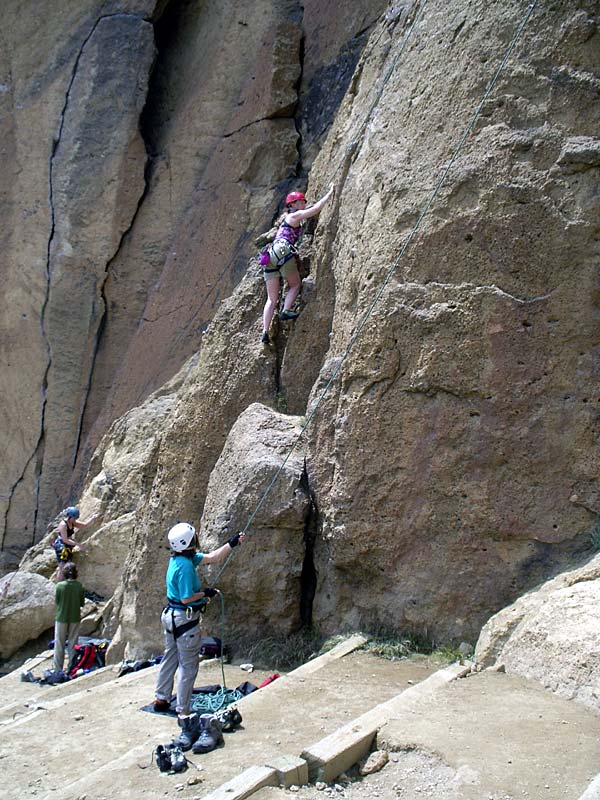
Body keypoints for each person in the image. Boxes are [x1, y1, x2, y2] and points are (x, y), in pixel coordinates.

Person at [154, 522, 245, 749]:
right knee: (188, 666)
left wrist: (232, 543)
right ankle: (183, 711)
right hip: (184, 619)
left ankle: (161, 697)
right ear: (188, 542)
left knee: (170, 657)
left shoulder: (180, 559)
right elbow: (186, 598)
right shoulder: (185, 566)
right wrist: (205, 593)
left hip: (171, 618)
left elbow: (213, 557)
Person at [260, 185, 334, 344]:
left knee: (271, 299)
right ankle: (286, 310)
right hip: (283, 251)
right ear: (292, 205)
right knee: (295, 285)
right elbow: (316, 209)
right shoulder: (295, 216)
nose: (304, 204)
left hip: (269, 256)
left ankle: (265, 331)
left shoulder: (286, 219)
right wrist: (330, 193)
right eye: (301, 201)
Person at [53, 562, 85, 674]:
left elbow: (57, 602)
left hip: (61, 617)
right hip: (75, 617)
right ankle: (72, 667)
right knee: (73, 643)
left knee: (59, 643)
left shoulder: (59, 586)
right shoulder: (79, 586)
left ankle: (57, 669)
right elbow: (82, 603)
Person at [53, 506, 99, 581]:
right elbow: (65, 539)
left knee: (68, 564)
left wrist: (93, 519)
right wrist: (78, 545)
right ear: (69, 516)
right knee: (62, 565)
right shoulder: (63, 525)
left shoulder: (72, 522)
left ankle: (63, 581)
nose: (75, 520)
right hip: (61, 545)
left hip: (68, 544)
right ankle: (58, 585)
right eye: (74, 518)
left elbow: (84, 525)